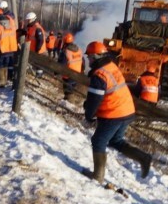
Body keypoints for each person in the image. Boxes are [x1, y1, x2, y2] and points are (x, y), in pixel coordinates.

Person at [82, 41, 152, 183]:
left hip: (114, 114)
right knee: (115, 141)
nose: (88, 59)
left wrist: (88, 116)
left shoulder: (99, 75)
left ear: (95, 57)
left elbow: (94, 100)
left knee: (98, 141)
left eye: (89, 57)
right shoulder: (110, 66)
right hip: (126, 111)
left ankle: (97, 176)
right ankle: (143, 157)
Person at [57, 33, 84, 100]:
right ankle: (69, 101)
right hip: (77, 74)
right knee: (72, 89)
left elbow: (61, 64)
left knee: (67, 91)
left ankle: (68, 102)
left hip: (68, 75)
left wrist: (56, 72)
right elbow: (83, 62)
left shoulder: (65, 52)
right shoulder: (79, 50)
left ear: (65, 42)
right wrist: (82, 71)